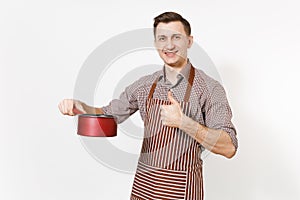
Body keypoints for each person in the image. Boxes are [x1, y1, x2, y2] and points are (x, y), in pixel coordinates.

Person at [58, 11, 238, 200]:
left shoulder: (209, 88)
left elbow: (229, 148)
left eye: (176, 37)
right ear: (155, 44)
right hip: (143, 189)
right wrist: (82, 107)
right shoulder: (145, 85)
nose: (169, 45)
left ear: (189, 41)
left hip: (182, 192)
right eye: (162, 38)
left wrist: (185, 123)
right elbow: (109, 115)